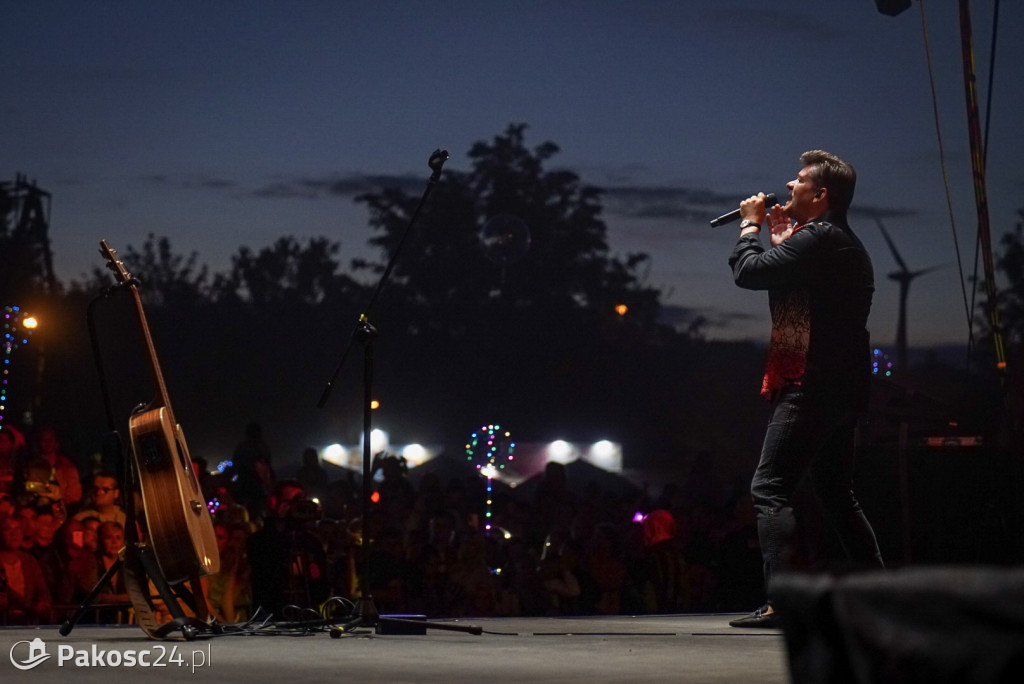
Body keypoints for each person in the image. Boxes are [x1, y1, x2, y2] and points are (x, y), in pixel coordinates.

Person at [726, 150, 884, 628]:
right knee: (836, 493)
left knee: (770, 488)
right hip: (840, 387)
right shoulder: (831, 241)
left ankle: (785, 601)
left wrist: (749, 229)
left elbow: (749, 273)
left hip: (812, 385)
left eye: (798, 181)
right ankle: (878, 596)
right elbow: (797, 289)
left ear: (821, 195)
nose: (788, 187)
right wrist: (781, 244)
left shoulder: (822, 239)